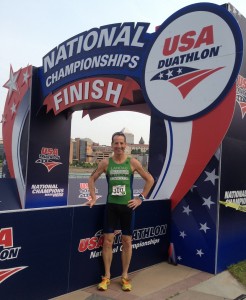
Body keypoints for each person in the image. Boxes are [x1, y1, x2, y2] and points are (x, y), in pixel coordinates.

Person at [87, 131, 154, 292]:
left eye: (121, 143)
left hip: (127, 208)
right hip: (111, 207)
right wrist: (94, 197)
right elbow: (91, 178)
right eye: (116, 143)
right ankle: (107, 276)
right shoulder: (105, 163)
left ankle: (124, 276)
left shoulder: (132, 162)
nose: (119, 146)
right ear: (112, 145)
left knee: (127, 242)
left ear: (126, 145)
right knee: (108, 241)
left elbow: (150, 180)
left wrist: (140, 199)